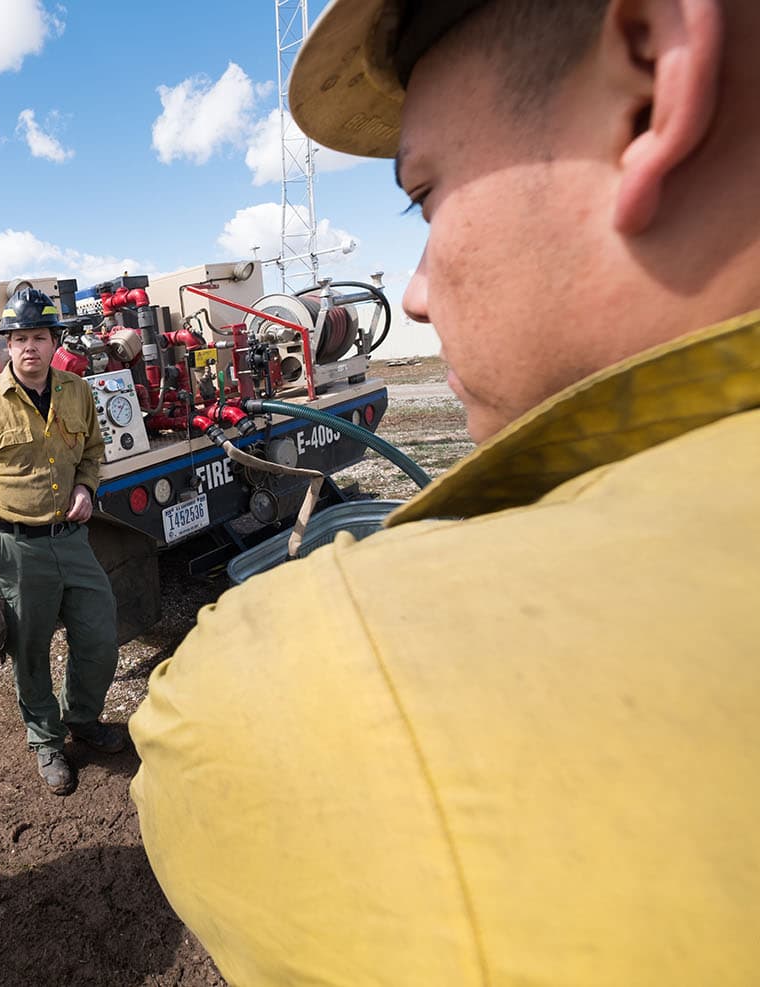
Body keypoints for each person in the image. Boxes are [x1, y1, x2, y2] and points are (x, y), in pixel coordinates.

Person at [129, 0, 760, 983]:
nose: (414, 293)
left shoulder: (294, 686)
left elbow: (177, 737)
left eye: (424, 193)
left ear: (649, 85)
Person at [0, 285, 126, 797]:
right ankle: (46, 739)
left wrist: (87, 486)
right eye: (19, 338)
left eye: (39, 336)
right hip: (15, 548)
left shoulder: (77, 391)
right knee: (30, 650)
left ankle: (82, 718)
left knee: (99, 635)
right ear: (7, 345)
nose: (29, 347)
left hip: (71, 539)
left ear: (52, 341)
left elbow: (92, 447)